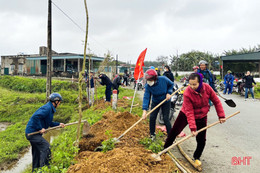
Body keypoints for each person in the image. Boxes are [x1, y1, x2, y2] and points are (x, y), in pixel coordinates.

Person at [164, 73, 226, 166]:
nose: (192, 86)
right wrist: (193, 129)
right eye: (190, 84)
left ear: (200, 82)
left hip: (202, 115)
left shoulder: (207, 88)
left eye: (194, 84)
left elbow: (216, 101)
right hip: (185, 114)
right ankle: (165, 149)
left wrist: (221, 116)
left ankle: (197, 157)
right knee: (174, 131)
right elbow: (189, 112)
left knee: (201, 139)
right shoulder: (187, 93)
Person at [25, 93, 65, 172]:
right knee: (46, 147)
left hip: (34, 133)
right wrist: (40, 128)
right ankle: (43, 169)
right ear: (56, 101)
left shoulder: (50, 108)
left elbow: (49, 123)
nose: (60, 103)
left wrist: (59, 124)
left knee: (36, 152)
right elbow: (36, 117)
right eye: (59, 102)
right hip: (32, 133)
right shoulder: (47, 108)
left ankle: (35, 170)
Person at [142, 69, 174, 140]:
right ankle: (152, 135)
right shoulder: (148, 86)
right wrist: (144, 110)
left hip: (165, 101)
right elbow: (146, 98)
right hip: (155, 102)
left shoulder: (163, 79)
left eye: (150, 80)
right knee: (152, 117)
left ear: (155, 78)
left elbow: (171, 84)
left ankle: (170, 136)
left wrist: (169, 92)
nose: (149, 82)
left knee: (166, 118)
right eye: (148, 81)